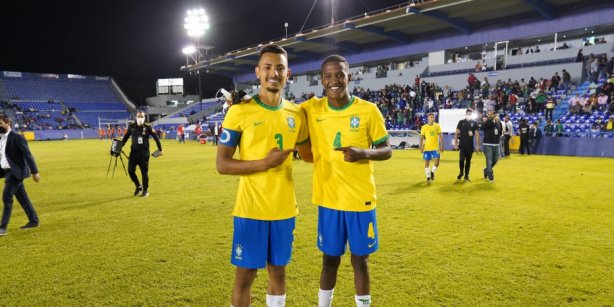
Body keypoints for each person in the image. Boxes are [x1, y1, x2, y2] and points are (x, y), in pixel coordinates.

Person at [216, 44, 311, 307]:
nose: (273, 73)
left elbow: (309, 153)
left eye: (279, 68)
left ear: (288, 73)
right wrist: (264, 163)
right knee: (245, 276)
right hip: (251, 210)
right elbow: (222, 164)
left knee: (278, 272)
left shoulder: (297, 113)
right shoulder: (239, 111)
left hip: (284, 210)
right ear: (257, 72)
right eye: (267, 67)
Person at [301, 54, 391, 307]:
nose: (334, 81)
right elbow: (281, 108)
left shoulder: (368, 110)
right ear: (321, 81)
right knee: (329, 260)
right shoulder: (312, 109)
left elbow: (387, 149)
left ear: (348, 77)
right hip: (328, 200)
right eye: (328, 76)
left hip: (360, 200)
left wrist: (364, 153)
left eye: (339, 74)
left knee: (360, 260)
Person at [0, 115, 41, 236]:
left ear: (8, 123)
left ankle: (3, 227)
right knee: (22, 198)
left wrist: (35, 172)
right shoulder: (1, 138)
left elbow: (28, 155)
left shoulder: (17, 138)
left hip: (16, 173)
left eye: (1, 123)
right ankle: (34, 221)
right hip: (7, 171)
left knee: (7, 197)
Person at [121, 111, 163, 197]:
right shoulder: (131, 126)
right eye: (138, 116)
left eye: (142, 116)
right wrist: (118, 147)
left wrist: (160, 150)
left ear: (144, 117)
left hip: (144, 154)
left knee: (144, 172)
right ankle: (138, 186)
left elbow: (156, 138)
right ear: (135, 117)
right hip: (133, 153)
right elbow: (125, 138)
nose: (140, 118)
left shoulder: (148, 127)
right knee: (130, 171)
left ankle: (145, 190)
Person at [454, 108, 480, 181]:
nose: (469, 115)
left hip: (470, 146)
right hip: (462, 145)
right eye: (468, 114)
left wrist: (478, 145)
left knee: (468, 161)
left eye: (470, 114)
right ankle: (461, 172)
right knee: (461, 160)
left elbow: (477, 134)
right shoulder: (461, 122)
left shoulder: (474, 123)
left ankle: (466, 176)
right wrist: (455, 143)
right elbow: (456, 133)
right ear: (465, 114)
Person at [420, 113, 443, 182]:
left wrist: (442, 145)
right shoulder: (424, 127)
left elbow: (440, 136)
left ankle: (432, 171)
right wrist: (421, 146)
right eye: (431, 117)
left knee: (437, 162)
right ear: (428, 118)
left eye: (433, 117)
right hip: (427, 148)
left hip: (436, 147)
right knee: (427, 163)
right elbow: (421, 138)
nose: (432, 119)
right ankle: (428, 176)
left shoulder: (437, 126)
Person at [481, 111, 502, 182]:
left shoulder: (499, 123)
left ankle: (486, 170)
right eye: (488, 114)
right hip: (487, 144)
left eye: (491, 114)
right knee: (489, 161)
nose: (489, 115)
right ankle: (491, 176)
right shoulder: (487, 122)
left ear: (495, 115)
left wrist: (499, 143)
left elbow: (500, 133)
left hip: (496, 144)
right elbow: (482, 127)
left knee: (495, 160)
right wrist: (487, 121)